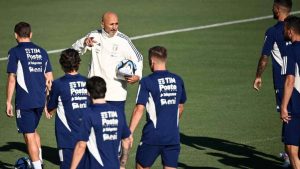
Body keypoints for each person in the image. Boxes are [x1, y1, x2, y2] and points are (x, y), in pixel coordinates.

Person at [72, 11, 143, 112]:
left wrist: (137, 75)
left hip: (116, 94)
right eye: (111, 24)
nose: (114, 27)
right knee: (92, 126)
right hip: (94, 92)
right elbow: (74, 50)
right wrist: (83, 43)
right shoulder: (94, 35)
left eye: (116, 24)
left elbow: (138, 58)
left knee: (115, 126)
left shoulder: (123, 40)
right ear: (102, 24)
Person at [129, 46, 187, 169]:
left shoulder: (147, 81)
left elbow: (139, 109)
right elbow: (180, 107)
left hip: (152, 136)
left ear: (152, 61)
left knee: (141, 166)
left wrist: (129, 133)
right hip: (173, 136)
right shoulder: (178, 80)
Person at [6, 22, 53, 169]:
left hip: (25, 101)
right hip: (39, 100)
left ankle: (37, 167)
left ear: (15, 35)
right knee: (32, 130)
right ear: (30, 34)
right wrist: (47, 102)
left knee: (28, 135)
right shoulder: (42, 51)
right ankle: (39, 160)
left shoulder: (15, 52)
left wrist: (8, 102)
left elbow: (12, 78)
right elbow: (49, 79)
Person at [253, 0, 292, 167]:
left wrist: (258, 76)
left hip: (284, 81)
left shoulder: (273, 31)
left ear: (277, 9)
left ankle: (291, 156)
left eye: (273, 7)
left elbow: (264, 57)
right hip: (298, 78)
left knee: (287, 115)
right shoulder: (296, 29)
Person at [70, 76, 131, 169]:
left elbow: (81, 145)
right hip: (114, 166)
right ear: (105, 91)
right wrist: (122, 164)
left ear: (88, 93)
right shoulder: (118, 112)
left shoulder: (88, 113)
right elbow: (126, 140)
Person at [46, 48, 89, 169]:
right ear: (79, 63)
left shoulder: (58, 84)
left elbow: (50, 109)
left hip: (67, 138)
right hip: (87, 137)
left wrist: (49, 92)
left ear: (62, 65)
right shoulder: (88, 82)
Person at [281, 15, 300, 169]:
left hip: (296, 106)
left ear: (290, 31)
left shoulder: (290, 50)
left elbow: (290, 80)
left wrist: (284, 106)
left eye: (285, 28)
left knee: (291, 148)